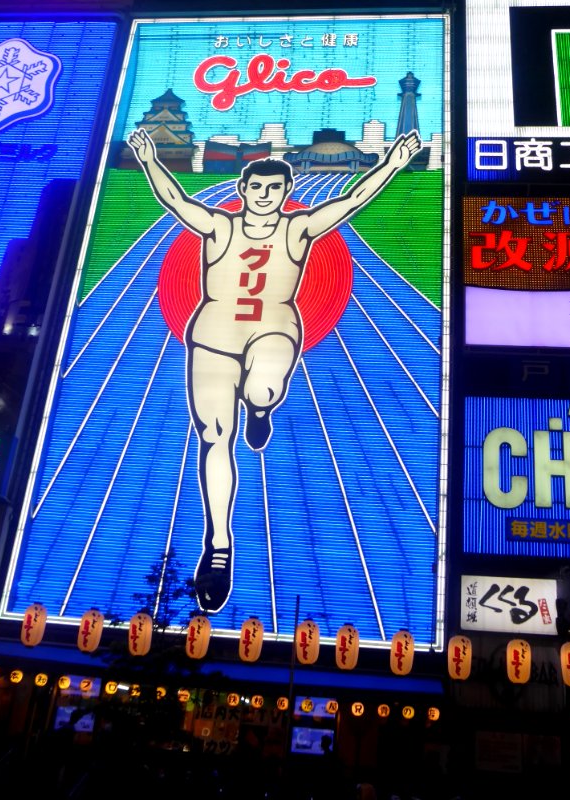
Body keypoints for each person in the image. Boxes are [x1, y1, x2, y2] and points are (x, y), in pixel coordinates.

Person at [127, 127, 422, 612]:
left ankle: (261, 407)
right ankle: (218, 547)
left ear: (286, 193)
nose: (265, 196)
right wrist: (148, 159)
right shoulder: (220, 227)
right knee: (214, 436)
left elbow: (350, 201)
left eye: (275, 189)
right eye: (257, 188)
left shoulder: (298, 228)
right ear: (244, 191)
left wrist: (391, 162)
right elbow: (175, 199)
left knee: (263, 387)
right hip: (213, 337)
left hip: (274, 327)